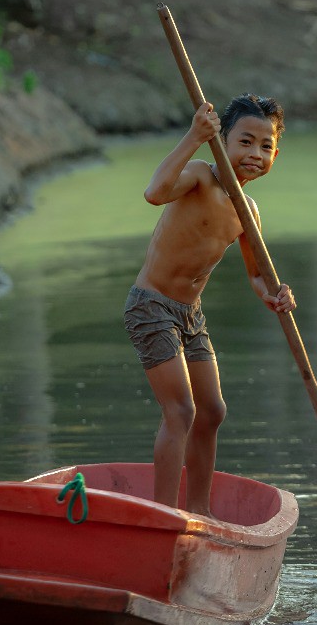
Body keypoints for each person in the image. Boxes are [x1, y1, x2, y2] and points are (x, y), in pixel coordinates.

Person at [124, 93, 296, 516]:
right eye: (245, 141)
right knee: (180, 410)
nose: (256, 153)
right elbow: (154, 192)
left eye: (266, 145)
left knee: (212, 410)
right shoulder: (201, 176)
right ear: (222, 139)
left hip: (190, 315)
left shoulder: (248, 210)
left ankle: (198, 511)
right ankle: (163, 516)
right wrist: (193, 137)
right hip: (152, 305)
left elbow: (257, 275)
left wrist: (275, 295)